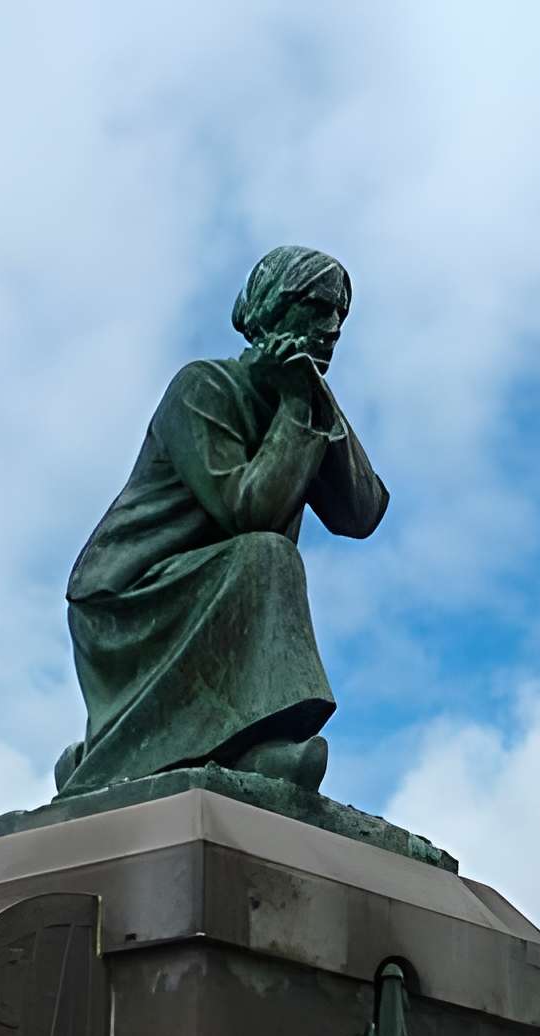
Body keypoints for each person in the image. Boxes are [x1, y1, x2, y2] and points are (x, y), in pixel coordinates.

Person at [56, 245, 388, 801]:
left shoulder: (303, 400)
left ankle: (229, 749)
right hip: (129, 591)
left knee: (261, 558)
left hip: (214, 580)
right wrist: (292, 407)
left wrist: (314, 401)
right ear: (271, 309)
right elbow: (248, 510)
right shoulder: (203, 387)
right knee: (267, 555)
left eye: (340, 315)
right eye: (316, 305)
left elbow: (362, 512)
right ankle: (253, 738)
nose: (331, 327)